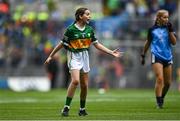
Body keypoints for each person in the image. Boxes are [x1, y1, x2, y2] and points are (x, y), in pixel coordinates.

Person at [44, 7, 122, 116]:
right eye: (87, 14)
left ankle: (82, 109)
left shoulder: (89, 30)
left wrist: (111, 52)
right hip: (73, 56)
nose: (90, 16)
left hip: (85, 56)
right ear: (80, 16)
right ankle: (66, 108)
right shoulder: (70, 30)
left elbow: (97, 44)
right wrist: (50, 56)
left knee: (84, 85)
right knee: (75, 81)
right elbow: (61, 44)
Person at [141, 9, 177, 109]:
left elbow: (174, 42)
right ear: (158, 18)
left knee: (168, 83)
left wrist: (170, 31)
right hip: (156, 55)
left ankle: (161, 98)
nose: (167, 19)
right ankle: (159, 103)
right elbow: (148, 42)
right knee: (159, 78)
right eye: (164, 17)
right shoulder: (152, 30)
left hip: (167, 56)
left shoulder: (169, 28)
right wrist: (143, 54)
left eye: (167, 17)